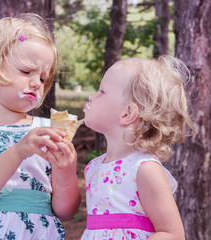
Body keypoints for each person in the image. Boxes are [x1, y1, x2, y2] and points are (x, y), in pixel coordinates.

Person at [0, 13, 80, 240]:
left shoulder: (50, 131)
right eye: (26, 72)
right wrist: (19, 151)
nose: (36, 83)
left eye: (43, 78)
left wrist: (66, 173)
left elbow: (66, 211)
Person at [81, 56, 194, 240]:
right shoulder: (93, 167)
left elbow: (173, 234)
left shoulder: (144, 169)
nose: (91, 96)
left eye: (101, 91)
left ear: (127, 113)